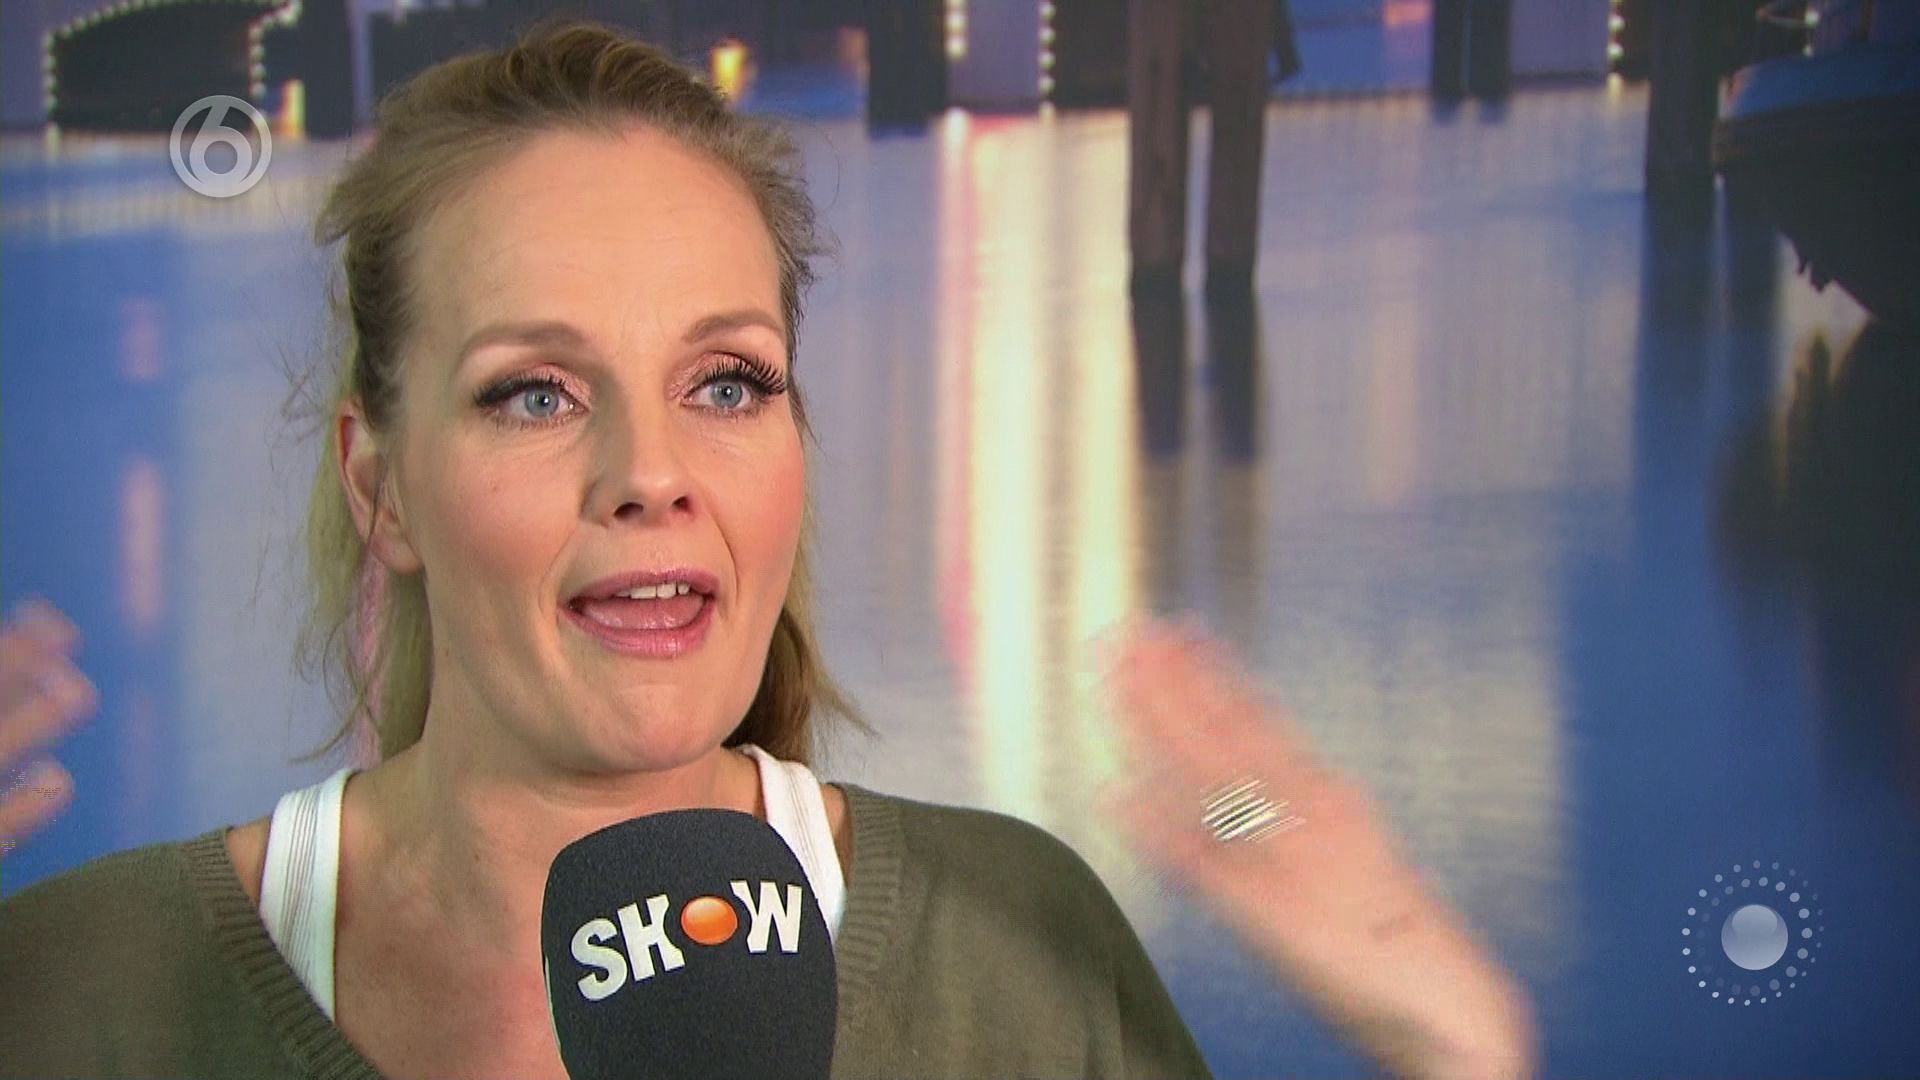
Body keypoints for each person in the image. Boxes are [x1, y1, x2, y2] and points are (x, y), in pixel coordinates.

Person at [0, 20, 1536, 1079]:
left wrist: (1454, 1049)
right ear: (380, 486)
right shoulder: (73, 988)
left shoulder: (1014, 951)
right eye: (535, 393)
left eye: (726, 382)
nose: (651, 474)